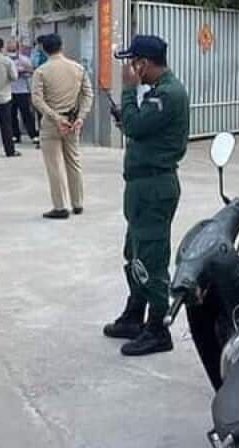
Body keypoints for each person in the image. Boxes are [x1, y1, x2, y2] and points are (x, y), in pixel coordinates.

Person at [101, 35, 191, 356]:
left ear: (145, 63)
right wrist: (127, 114)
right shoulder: (156, 93)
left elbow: (137, 127)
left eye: (132, 61)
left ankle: (158, 328)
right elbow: (138, 126)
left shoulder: (168, 93)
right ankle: (134, 314)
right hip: (141, 186)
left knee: (151, 259)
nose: (128, 68)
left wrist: (126, 93)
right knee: (135, 253)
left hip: (155, 186)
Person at [31, 33, 92, 219]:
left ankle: (60, 206)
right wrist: (81, 117)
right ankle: (78, 203)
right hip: (73, 122)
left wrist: (56, 117)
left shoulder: (41, 71)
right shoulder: (78, 69)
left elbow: (37, 99)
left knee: (54, 165)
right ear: (62, 46)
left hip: (52, 123)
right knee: (74, 162)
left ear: (44, 49)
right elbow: (88, 94)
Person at [7, 39, 39, 147]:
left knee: (26, 113)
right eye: (9, 45)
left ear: (17, 47)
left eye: (13, 46)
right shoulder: (5, 60)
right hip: (9, 90)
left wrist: (24, 72)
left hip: (22, 90)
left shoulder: (24, 59)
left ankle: (33, 134)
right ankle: (15, 135)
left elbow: (31, 72)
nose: (11, 47)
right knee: (11, 114)